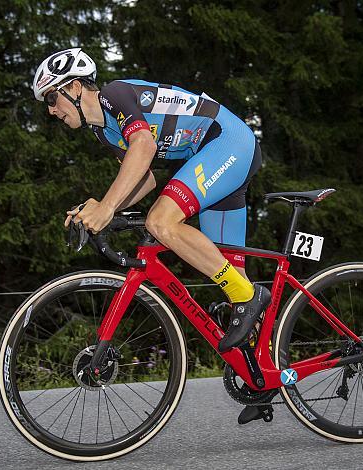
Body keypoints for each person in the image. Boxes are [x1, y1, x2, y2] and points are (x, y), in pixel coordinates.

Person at [33, 48, 270, 353]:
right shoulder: (102, 130)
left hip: (226, 141)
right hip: (215, 156)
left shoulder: (114, 94)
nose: (51, 110)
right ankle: (264, 376)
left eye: (52, 99)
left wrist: (106, 206)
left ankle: (249, 299)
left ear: (75, 87)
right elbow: (144, 179)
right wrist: (103, 209)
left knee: (160, 221)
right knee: (232, 276)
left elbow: (143, 146)